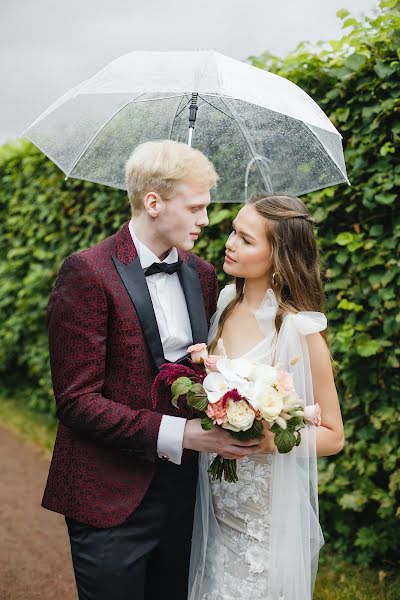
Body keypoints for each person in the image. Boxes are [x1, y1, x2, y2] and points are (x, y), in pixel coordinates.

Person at [41, 140, 264, 600]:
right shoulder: (86, 272)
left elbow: (196, 375)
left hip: (184, 494)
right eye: (197, 207)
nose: (206, 221)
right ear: (153, 202)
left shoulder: (202, 275)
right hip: (107, 495)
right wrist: (183, 435)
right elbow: (77, 402)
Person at [189, 193, 345, 600]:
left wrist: (271, 439)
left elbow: (333, 434)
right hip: (216, 503)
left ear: (279, 256)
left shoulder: (298, 330)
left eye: (246, 239)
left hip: (263, 515)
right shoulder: (224, 303)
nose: (230, 243)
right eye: (232, 232)